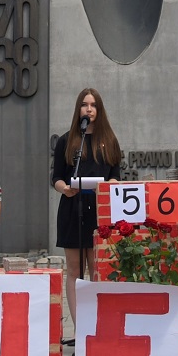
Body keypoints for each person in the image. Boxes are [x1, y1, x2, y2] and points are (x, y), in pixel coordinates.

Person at [55, 87, 122, 325]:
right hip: (73, 208)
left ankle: (96, 325)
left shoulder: (109, 140)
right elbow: (57, 178)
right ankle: (79, 327)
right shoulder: (67, 140)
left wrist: (107, 186)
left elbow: (116, 176)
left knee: (97, 270)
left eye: (93, 105)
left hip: (99, 209)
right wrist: (64, 188)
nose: (89, 109)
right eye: (85, 105)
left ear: (99, 109)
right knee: (74, 270)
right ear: (78, 109)